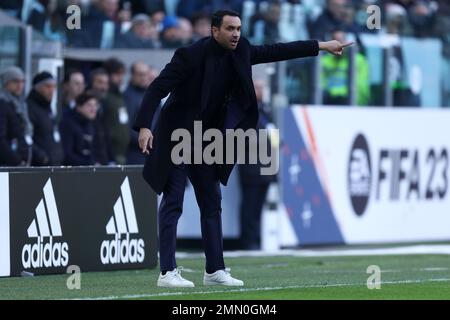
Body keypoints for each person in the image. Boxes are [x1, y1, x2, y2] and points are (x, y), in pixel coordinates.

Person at [134, 10, 352, 288]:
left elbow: (278, 50)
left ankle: (215, 270)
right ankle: (167, 272)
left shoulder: (243, 50)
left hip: (205, 141)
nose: (236, 33)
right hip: (176, 135)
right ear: (214, 31)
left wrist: (321, 46)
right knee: (173, 201)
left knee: (212, 203)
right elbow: (156, 89)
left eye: (238, 28)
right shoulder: (189, 55)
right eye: (230, 29)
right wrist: (144, 126)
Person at [238, 78, 277, 250]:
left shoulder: (266, 111)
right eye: (257, 88)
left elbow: (274, 139)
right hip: (251, 168)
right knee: (250, 206)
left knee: (259, 207)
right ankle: (248, 242)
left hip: (267, 168)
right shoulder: (244, 110)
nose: (260, 91)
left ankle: (257, 240)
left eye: (262, 88)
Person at [27, 71, 64, 166]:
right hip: (39, 166)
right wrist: (42, 157)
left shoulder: (48, 108)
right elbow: (26, 137)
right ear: (37, 87)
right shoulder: (29, 108)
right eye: (47, 86)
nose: (51, 90)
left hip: (53, 164)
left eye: (53, 86)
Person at [124, 61, 156, 164]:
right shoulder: (128, 97)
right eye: (140, 74)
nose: (144, 77)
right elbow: (126, 128)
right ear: (133, 75)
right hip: (135, 153)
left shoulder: (151, 95)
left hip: (153, 150)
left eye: (146, 74)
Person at [0, 66, 32, 166]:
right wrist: (17, 160)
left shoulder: (20, 104)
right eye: (15, 81)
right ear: (6, 83)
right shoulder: (3, 104)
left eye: (22, 81)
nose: (20, 85)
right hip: (8, 164)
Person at [59, 92, 102, 166]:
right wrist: (89, 164)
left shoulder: (90, 124)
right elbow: (67, 154)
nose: (93, 109)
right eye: (89, 105)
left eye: (95, 105)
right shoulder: (68, 124)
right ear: (79, 107)